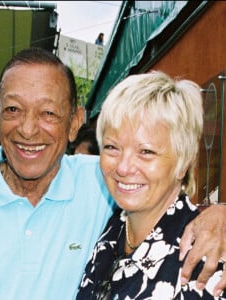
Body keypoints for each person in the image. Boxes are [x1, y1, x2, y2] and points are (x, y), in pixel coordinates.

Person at [0, 48, 226, 299]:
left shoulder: (202, 263)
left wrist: (220, 214)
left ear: (74, 122)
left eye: (48, 113)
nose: (28, 129)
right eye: (14, 110)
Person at [76, 71, 226, 299]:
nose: (123, 168)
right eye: (111, 147)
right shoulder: (114, 226)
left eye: (146, 151)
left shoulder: (203, 266)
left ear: (182, 163)